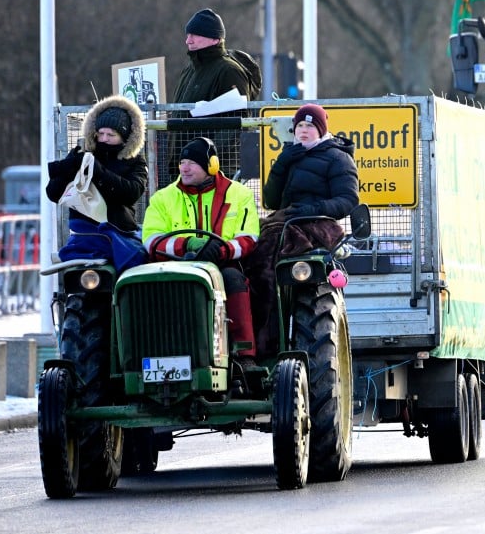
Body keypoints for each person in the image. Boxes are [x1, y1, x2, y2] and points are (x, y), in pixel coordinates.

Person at [244, 103, 360, 355]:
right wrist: (282, 163)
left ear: (321, 130)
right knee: (254, 257)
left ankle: (274, 338)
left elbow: (348, 201)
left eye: (309, 126)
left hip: (319, 223)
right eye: (299, 126)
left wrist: (312, 209)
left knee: (278, 258)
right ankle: (253, 338)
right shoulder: (290, 156)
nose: (304, 131)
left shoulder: (338, 158)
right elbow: (272, 201)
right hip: (286, 220)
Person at [142, 137, 261, 365]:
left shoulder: (239, 195)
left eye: (192, 163)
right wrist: (186, 245)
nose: (184, 168)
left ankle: (244, 354)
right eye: (182, 162)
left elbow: (249, 237)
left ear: (212, 166)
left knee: (233, 279)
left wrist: (221, 251)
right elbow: (151, 240)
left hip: (223, 265)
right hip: (175, 265)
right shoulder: (162, 198)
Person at [45, 95, 149, 271]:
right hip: (85, 231)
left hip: (119, 229)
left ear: (125, 137)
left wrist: (98, 172)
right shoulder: (82, 152)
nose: (104, 139)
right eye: (100, 133)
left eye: (111, 135)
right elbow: (53, 193)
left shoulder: (135, 161)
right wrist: (70, 168)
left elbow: (132, 192)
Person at [172, 7, 261, 105]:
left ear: (215, 39)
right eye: (188, 35)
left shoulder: (230, 71)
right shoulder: (189, 70)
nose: (188, 41)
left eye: (195, 35)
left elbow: (238, 116)